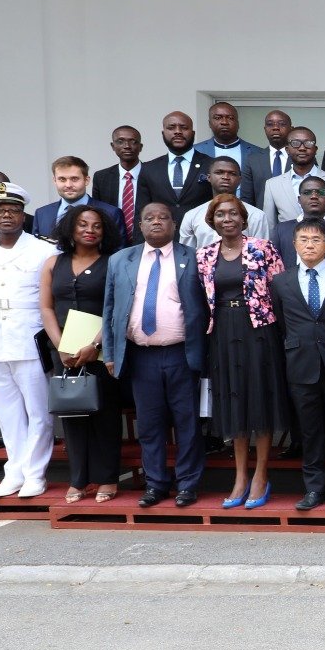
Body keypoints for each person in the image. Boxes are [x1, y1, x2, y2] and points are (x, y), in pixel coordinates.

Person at [103, 202, 208, 508]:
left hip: (181, 354)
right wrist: (110, 353)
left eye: (163, 217)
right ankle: (156, 483)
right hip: (141, 356)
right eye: (150, 218)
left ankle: (188, 484)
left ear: (174, 225)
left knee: (187, 423)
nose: (157, 222)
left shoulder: (193, 257)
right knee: (149, 425)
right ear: (140, 226)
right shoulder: (121, 260)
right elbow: (109, 310)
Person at [0, 183, 57, 498]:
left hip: (30, 339)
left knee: (39, 412)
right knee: (7, 413)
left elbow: (52, 299)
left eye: (13, 210)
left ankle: (35, 474)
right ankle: (13, 471)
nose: (6, 215)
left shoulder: (45, 249)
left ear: (23, 215)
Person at [196, 194, 289, 509]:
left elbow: (281, 291)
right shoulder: (205, 255)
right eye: (220, 214)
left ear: (243, 218)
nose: (227, 219)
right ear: (212, 220)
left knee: (259, 400)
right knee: (234, 401)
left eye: (233, 213)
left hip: (259, 332)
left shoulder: (263, 249)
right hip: (222, 332)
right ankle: (239, 477)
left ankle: (261, 474)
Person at [268, 219, 325, 511]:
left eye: (316, 240)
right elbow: (282, 323)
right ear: (294, 244)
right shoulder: (281, 281)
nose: (309, 244)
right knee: (309, 431)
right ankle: (314, 488)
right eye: (303, 239)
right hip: (300, 364)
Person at [38, 205, 121, 503]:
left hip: (100, 351)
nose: (90, 229)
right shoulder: (52, 264)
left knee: (104, 414)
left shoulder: (113, 263)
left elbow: (116, 310)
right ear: (71, 228)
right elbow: (46, 307)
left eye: (97, 225)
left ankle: (108, 479)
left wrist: (95, 345)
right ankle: (78, 479)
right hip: (64, 351)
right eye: (83, 224)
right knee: (72, 413)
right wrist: (61, 344)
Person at [137, 111, 215, 222]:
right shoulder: (149, 169)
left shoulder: (211, 165)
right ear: (163, 133)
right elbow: (141, 211)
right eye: (171, 127)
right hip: (161, 237)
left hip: (201, 235)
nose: (178, 131)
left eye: (184, 127)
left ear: (193, 133)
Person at [33, 156, 125, 249]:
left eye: (74, 179)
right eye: (62, 179)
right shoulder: (41, 214)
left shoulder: (111, 213)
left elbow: (119, 255)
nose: (68, 185)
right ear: (54, 181)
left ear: (86, 180)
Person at [178, 157, 270, 249]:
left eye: (232, 174)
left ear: (239, 180)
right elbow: (187, 257)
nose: (225, 177)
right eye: (219, 172)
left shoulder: (257, 215)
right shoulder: (192, 216)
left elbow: (261, 253)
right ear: (209, 177)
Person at [261, 126, 325, 224]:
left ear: (315, 149)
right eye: (295, 143)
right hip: (287, 239)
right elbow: (270, 225)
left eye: (308, 143)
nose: (302, 148)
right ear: (287, 150)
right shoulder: (273, 185)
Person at [270, 175, 325, 270]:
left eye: (320, 192)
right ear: (299, 200)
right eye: (307, 192)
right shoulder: (281, 230)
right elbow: (275, 270)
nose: (314, 196)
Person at [194, 101, 264, 196]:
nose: (224, 122)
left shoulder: (257, 153)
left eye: (230, 118)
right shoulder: (196, 151)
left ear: (238, 124)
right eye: (218, 118)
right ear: (210, 123)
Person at [92, 126, 145, 243]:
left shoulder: (153, 173)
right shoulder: (101, 178)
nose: (127, 146)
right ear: (113, 146)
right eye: (120, 141)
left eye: (133, 141)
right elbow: (98, 213)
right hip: (112, 243)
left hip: (147, 242)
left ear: (140, 147)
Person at [239, 109, 293, 208]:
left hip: (294, 220)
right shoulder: (252, 160)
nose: (275, 128)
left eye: (282, 124)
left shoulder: (300, 157)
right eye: (270, 124)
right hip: (262, 219)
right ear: (265, 129)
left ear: (291, 129)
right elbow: (247, 198)